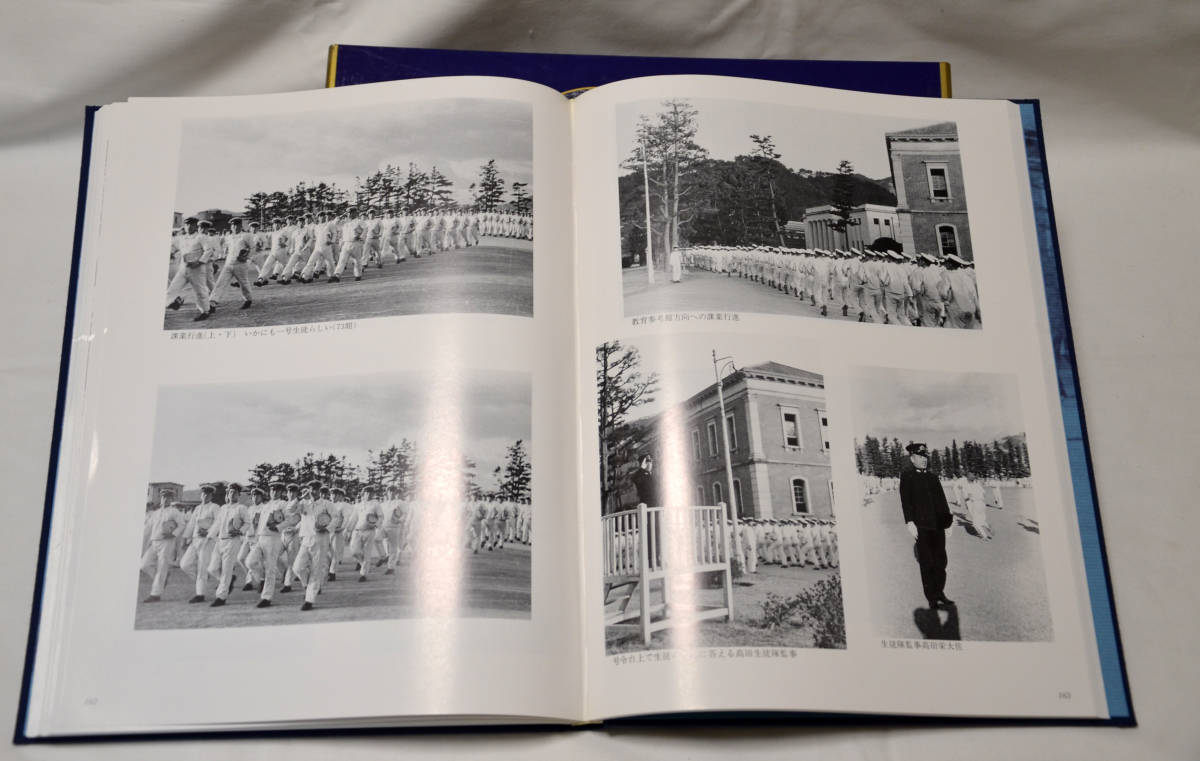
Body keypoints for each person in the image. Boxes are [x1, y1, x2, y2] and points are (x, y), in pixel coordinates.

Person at [898, 442, 955, 609]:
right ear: (913, 458)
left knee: (941, 562)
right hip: (922, 528)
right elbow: (906, 501)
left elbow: (942, 502)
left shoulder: (933, 477)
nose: (924, 459)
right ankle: (931, 597)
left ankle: (940, 592)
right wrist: (909, 522)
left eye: (925, 456)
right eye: (920, 456)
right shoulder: (907, 477)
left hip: (938, 527)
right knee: (927, 562)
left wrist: (948, 522)